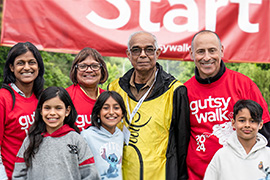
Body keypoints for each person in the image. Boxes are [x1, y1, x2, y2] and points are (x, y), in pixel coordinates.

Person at [184, 30, 270, 180]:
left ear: (222, 51)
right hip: (197, 176)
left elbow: (265, 132)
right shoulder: (184, 92)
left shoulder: (244, 85)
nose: (207, 57)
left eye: (212, 51)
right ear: (191, 54)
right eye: (200, 52)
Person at [108, 31, 190, 180]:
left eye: (149, 49)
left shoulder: (175, 90)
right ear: (128, 54)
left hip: (161, 174)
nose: (143, 55)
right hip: (121, 174)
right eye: (136, 50)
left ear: (157, 53)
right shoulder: (114, 88)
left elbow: (183, 144)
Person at [12, 86, 100, 179]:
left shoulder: (76, 140)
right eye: (47, 108)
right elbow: (19, 174)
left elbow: (91, 175)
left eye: (58, 108)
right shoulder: (31, 140)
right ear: (41, 111)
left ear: (67, 111)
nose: (52, 113)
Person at [0, 42, 45, 180]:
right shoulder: (3, 98)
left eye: (32, 62)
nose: (27, 67)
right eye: (20, 63)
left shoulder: (43, 99)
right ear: (12, 67)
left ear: (38, 67)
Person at [204, 99, 270, 180]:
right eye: (242, 120)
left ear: (260, 125)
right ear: (233, 123)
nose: (247, 125)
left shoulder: (268, 155)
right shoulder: (221, 156)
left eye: (253, 121)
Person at [81, 91, 127, 180]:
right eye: (106, 108)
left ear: (122, 113)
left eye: (116, 108)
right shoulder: (87, 136)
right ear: (98, 113)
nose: (111, 112)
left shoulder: (121, 135)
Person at [67, 47, 108, 131]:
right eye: (83, 66)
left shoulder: (108, 98)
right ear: (75, 70)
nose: (89, 70)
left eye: (94, 66)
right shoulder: (66, 96)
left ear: (102, 70)